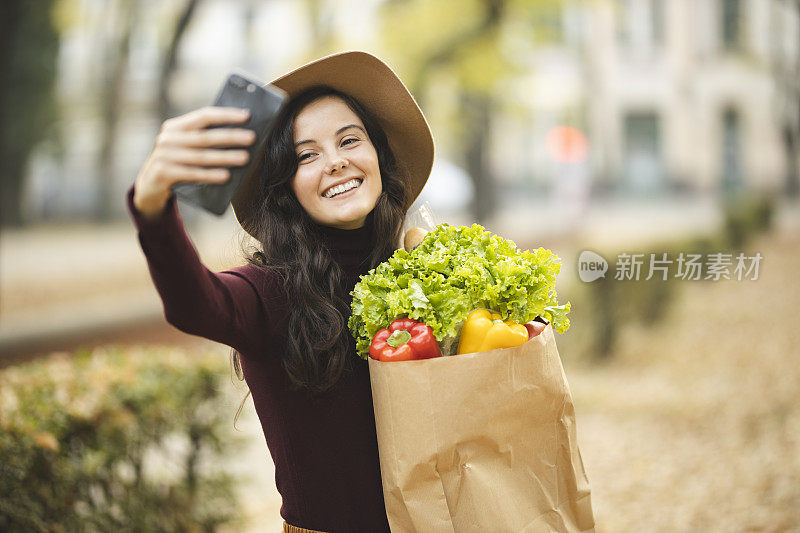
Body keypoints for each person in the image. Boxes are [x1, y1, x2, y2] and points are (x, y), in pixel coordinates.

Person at [127, 51, 434, 533]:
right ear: (285, 187)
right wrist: (152, 208)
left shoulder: (421, 275)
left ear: (377, 156)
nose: (335, 163)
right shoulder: (269, 292)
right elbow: (197, 305)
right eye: (305, 155)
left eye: (349, 140)